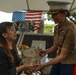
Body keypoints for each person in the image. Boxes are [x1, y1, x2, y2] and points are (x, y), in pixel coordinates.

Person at [35, 8, 76, 75]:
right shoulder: (57, 27)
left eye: (55, 14)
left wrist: (43, 65)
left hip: (68, 62)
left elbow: (63, 55)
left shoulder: (71, 28)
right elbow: (56, 46)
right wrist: (46, 51)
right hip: (58, 59)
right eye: (52, 14)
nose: (53, 17)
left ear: (64, 14)